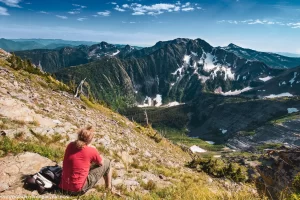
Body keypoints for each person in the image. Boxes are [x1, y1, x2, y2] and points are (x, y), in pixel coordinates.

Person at [59, 126, 112, 195]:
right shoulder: (92, 150)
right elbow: (101, 163)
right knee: (107, 162)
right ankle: (108, 188)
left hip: (63, 187)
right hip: (77, 190)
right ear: (90, 140)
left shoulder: (70, 145)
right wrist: (97, 153)